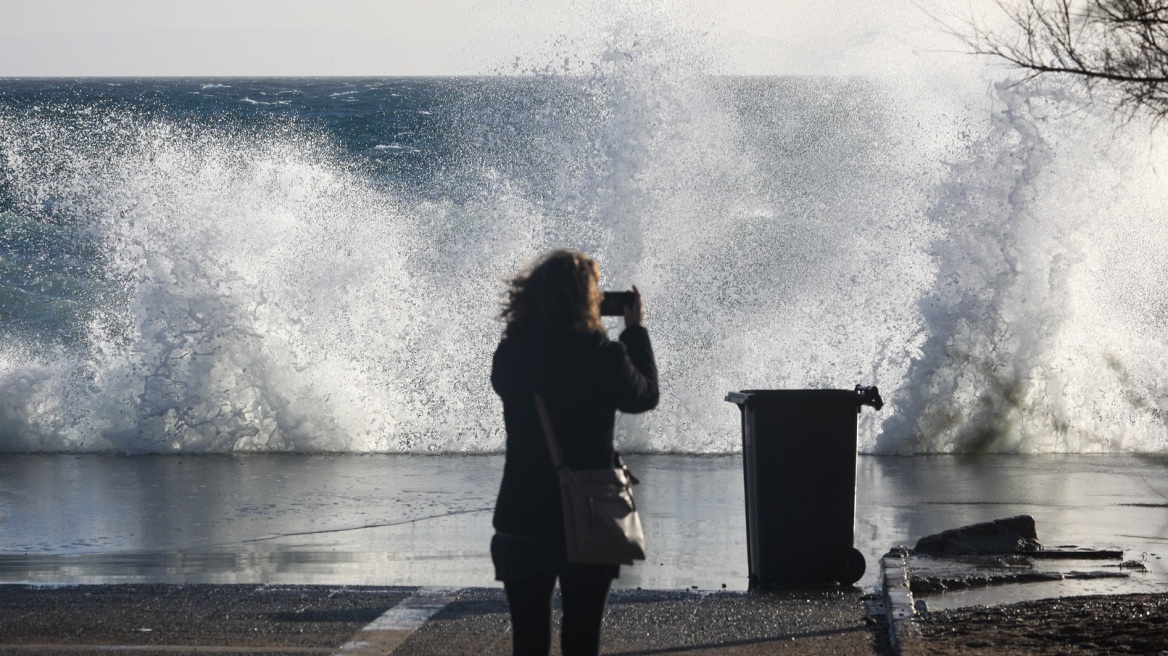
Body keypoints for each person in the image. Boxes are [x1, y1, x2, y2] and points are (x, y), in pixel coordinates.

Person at [490, 249, 659, 656]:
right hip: (589, 512)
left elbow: (514, 372)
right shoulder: (602, 354)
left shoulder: (511, 354)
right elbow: (644, 397)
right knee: (582, 639)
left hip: (521, 515)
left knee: (527, 642)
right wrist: (634, 330)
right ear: (589, 300)